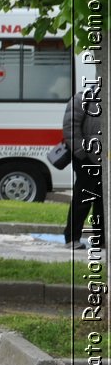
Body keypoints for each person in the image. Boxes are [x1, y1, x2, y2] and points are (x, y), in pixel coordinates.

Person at [64, 82, 104, 249]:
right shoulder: (82, 99)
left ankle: (101, 239)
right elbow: (70, 129)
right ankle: (72, 238)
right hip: (86, 160)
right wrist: (81, 153)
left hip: (104, 161)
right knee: (83, 199)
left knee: (103, 202)